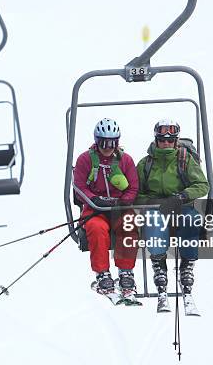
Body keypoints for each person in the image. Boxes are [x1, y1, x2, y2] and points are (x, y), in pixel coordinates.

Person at [136, 119, 209, 311]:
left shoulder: (184, 160)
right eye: (162, 140)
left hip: (180, 206)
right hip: (155, 209)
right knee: (153, 221)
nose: (166, 144)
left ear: (176, 141)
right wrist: (151, 203)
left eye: (170, 140)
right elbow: (134, 193)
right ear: (156, 140)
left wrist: (182, 196)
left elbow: (203, 185)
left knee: (192, 219)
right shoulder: (146, 164)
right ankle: (159, 267)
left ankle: (187, 265)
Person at [73, 118, 140, 300]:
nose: (108, 147)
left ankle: (126, 272)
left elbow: (133, 187)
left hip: (119, 208)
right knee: (96, 228)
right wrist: (94, 199)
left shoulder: (125, 160)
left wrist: (124, 201)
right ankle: (103, 274)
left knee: (129, 225)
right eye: (103, 142)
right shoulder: (85, 160)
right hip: (95, 209)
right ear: (96, 141)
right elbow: (79, 186)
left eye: (112, 143)